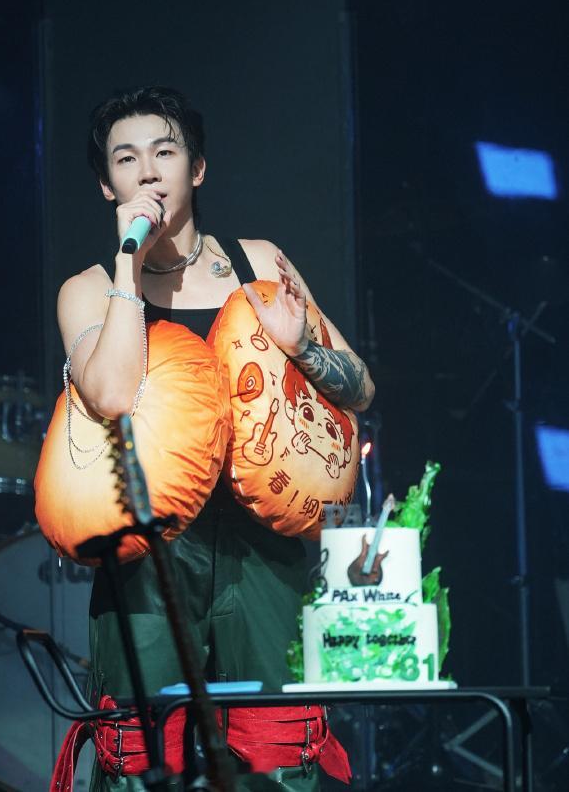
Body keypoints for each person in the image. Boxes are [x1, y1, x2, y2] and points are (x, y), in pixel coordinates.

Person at [57, 86, 375, 790]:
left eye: (164, 152)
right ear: (107, 185)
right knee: (144, 758)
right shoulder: (87, 289)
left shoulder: (257, 262)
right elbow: (109, 393)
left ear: (196, 169)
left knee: (277, 752)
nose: (147, 171)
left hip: (264, 543)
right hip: (150, 555)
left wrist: (303, 346)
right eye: (126, 159)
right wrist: (128, 265)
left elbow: (360, 386)